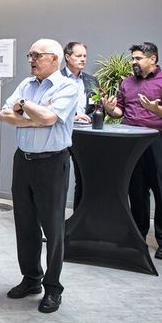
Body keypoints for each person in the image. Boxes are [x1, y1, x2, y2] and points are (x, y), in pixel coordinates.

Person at [0, 39, 77, 314]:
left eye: (37, 55)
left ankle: (52, 287)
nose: (31, 59)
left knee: (53, 228)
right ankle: (31, 278)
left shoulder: (67, 86)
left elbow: (49, 118)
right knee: (25, 223)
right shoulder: (26, 83)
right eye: (30, 55)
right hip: (23, 161)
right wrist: (34, 118)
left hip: (52, 163)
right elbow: (4, 114)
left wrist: (23, 105)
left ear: (54, 58)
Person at [103, 42, 162, 260]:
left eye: (138, 58)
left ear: (153, 59)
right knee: (136, 190)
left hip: (161, 142)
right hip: (132, 143)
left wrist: (157, 109)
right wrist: (111, 109)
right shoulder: (127, 83)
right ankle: (137, 235)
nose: (134, 62)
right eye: (132, 58)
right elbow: (120, 111)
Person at [60, 41, 100, 210]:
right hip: (61, 133)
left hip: (84, 135)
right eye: (78, 56)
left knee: (83, 179)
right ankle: (54, 222)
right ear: (67, 57)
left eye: (84, 56)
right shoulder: (56, 78)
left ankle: (78, 219)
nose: (83, 59)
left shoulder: (92, 80)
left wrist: (90, 118)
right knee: (58, 180)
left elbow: (98, 106)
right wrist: (73, 117)